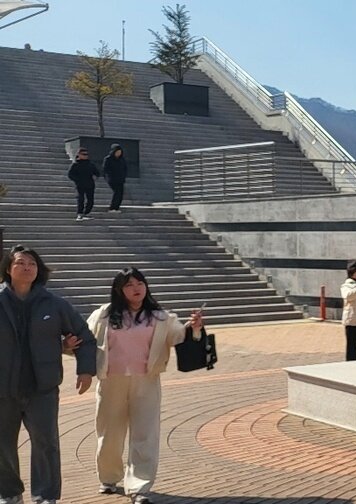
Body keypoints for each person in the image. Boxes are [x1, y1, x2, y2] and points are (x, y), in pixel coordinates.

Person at [86, 267, 204, 503]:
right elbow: (85, 340)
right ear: (119, 290)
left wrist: (195, 328)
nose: (136, 288)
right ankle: (109, 478)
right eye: (129, 285)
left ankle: (139, 487)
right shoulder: (104, 315)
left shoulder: (161, 317)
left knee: (145, 434)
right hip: (111, 381)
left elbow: (179, 338)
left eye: (139, 283)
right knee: (109, 433)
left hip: (147, 381)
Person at [0, 245, 97, 504]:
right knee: (2, 445)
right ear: (8, 269)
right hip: (3, 390)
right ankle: (9, 493)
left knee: (46, 445)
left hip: (41, 389)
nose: (27, 267)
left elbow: (85, 336)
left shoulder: (54, 304)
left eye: (32, 263)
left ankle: (45, 496)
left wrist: (86, 369)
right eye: (20, 262)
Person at [67, 148, 99, 221]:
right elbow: (70, 174)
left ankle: (87, 213)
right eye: (84, 154)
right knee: (80, 199)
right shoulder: (75, 165)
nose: (86, 156)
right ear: (79, 155)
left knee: (90, 200)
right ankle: (80, 213)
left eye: (87, 154)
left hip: (90, 185)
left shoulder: (90, 164)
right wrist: (77, 180)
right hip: (80, 185)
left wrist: (95, 176)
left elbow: (97, 173)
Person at [101, 144, 128, 213]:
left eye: (120, 152)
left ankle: (117, 207)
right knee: (116, 192)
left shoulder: (122, 159)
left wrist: (123, 176)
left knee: (121, 193)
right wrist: (108, 177)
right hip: (112, 179)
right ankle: (112, 207)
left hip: (120, 179)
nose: (119, 153)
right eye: (117, 152)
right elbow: (105, 169)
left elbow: (125, 168)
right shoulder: (108, 159)